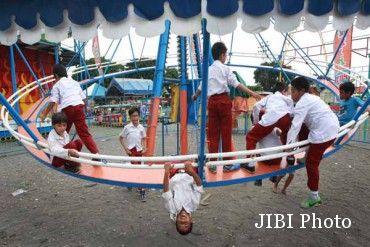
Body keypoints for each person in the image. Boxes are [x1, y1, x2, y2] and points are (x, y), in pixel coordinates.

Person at [192, 42, 261, 174]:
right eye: (225, 55)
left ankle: (212, 164)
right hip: (224, 101)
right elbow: (235, 84)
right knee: (226, 133)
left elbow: (201, 88)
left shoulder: (208, 70)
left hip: (212, 102)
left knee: (213, 134)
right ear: (222, 55)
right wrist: (252, 93)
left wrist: (195, 97)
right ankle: (227, 164)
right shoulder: (226, 69)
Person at [285, 76, 339, 209]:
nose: (291, 94)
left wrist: (288, 147)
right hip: (332, 127)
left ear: (302, 91)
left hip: (324, 134)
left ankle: (314, 197)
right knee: (303, 127)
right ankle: (306, 154)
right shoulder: (313, 97)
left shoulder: (302, 104)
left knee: (312, 164)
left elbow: (295, 126)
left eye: (293, 91)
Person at [40, 64, 99, 156]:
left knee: (61, 131)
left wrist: (44, 114)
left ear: (56, 75)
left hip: (67, 108)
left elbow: (53, 101)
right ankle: (96, 153)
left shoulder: (57, 85)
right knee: (84, 132)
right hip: (79, 106)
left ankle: (59, 152)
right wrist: (86, 107)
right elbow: (83, 97)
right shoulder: (75, 82)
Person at [240, 82, 293, 174]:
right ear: (283, 91)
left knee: (251, 137)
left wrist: (256, 122)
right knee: (285, 136)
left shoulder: (269, 97)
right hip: (285, 117)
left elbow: (256, 106)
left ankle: (250, 164)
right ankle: (290, 158)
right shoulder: (287, 98)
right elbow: (292, 111)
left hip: (271, 117)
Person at [162, 161, 204, 235]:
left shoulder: (172, 208)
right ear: (191, 220)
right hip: (189, 171)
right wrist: (191, 172)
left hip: (173, 172)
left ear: (176, 221)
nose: (183, 221)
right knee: (190, 159)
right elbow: (199, 185)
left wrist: (166, 172)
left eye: (180, 223)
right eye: (186, 224)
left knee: (169, 160)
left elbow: (166, 191)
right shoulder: (194, 205)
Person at [119, 107, 147, 201]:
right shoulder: (127, 127)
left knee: (137, 168)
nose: (135, 118)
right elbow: (120, 137)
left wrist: (144, 147)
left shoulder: (141, 127)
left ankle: (130, 182)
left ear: (139, 116)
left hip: (139, 150)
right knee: (136, 168)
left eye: (136, 115)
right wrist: (126, 149)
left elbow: (144, 138)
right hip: (131, 150)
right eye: (133, 116)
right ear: (130, 117)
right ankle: (141, 189)